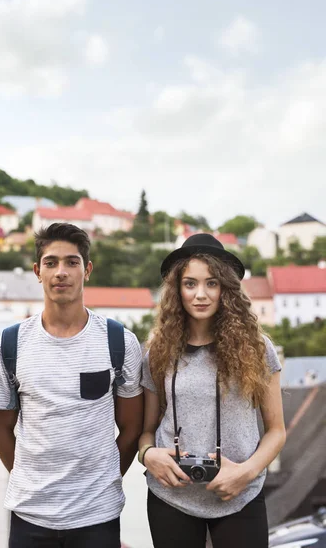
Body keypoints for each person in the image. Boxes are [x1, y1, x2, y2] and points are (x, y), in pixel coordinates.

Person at [0, 223, 144, 548]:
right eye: (51, 262)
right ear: (37, 271)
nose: (61, 272)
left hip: (96, 517)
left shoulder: (119, 341)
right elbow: (0, 428)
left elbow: (131, 429)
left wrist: (103, 482)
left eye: (71, 262)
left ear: (87, 270)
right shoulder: (11, 343)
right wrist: (32, 481)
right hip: (29, 515)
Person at [138, 233, 286, 548]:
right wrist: (148, 455)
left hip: (240, 495)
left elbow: (277, 431)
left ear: (226, 290)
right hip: (171, 497)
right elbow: (146, 431)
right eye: (190, 283)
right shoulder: (158, 352)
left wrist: (245, 472)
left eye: (212, 283)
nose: (200, 294)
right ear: (177, 290)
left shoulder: (257, 349)